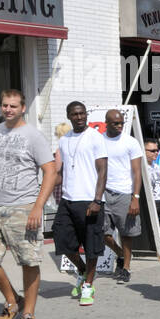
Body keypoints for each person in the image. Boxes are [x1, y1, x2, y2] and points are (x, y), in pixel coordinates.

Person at [0, 89, 57, 319]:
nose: (8, 110)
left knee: (28, 260)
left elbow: (50, 171)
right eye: (5, 105)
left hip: (23, 206)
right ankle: (12, 300)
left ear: (23, 108)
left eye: (13, 106)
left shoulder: (33, 136)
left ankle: (28, 313)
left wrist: (38, 206)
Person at [54, 102, 109, 306]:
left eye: (82, 113)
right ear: (69, 116)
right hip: (68, 199)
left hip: (90, 199)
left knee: (91, 245)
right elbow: (60, 172)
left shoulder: (96, 137)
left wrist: (97, 199)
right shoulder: (64, 140)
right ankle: (84, 271)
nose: (79, 117)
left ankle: (88, 285)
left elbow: (103, 170)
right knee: (63, 241)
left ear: (86, 115)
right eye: (75, 114)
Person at [100, 109, 143, 285]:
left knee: (126, 233)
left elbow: (137, 172)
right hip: (102, 192)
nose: (119, 126)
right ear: (106, 123)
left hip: (124, 192)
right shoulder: (99, 140)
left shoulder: (130, 142)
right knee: (103, 233)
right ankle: (119, 253)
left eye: (121, 123)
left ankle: (126, 267)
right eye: (115, 123)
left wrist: (136, 197)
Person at [144, 138, 160, 219]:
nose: (156, 153)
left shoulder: (156, 167)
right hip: (150, 201)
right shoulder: (142, 168)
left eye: (157, 150)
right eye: (152, 151)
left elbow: (159, 186)